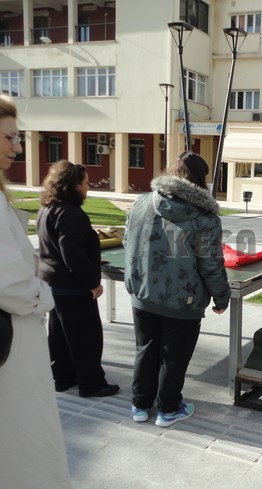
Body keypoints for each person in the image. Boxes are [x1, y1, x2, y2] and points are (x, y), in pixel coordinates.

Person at [123, 152, 230, 428]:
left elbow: (128, 241)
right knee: (174, 358)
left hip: (143, 292)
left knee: (145, 349)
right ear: (201, 179)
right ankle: (168, 409)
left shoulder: (142, 201)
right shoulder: (205, 218)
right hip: (184, 298)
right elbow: (211, 263)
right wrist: (221, 297)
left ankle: (140, 405)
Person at [0, 95, 72, 488]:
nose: (17, 147)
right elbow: (10, 284)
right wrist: (44, 297)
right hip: (11, 347)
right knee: (22, 445)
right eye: (9, 137)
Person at [37, 160, 120, 398]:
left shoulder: (47, 208)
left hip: (53, 283)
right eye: (85, 183)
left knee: (60, 336)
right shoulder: (70, 214)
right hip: (72, 287)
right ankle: (91, 383)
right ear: (73, 186)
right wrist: (92, 283)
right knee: (86, 337)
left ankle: (63, 377)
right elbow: (72, 255)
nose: (87, 188)